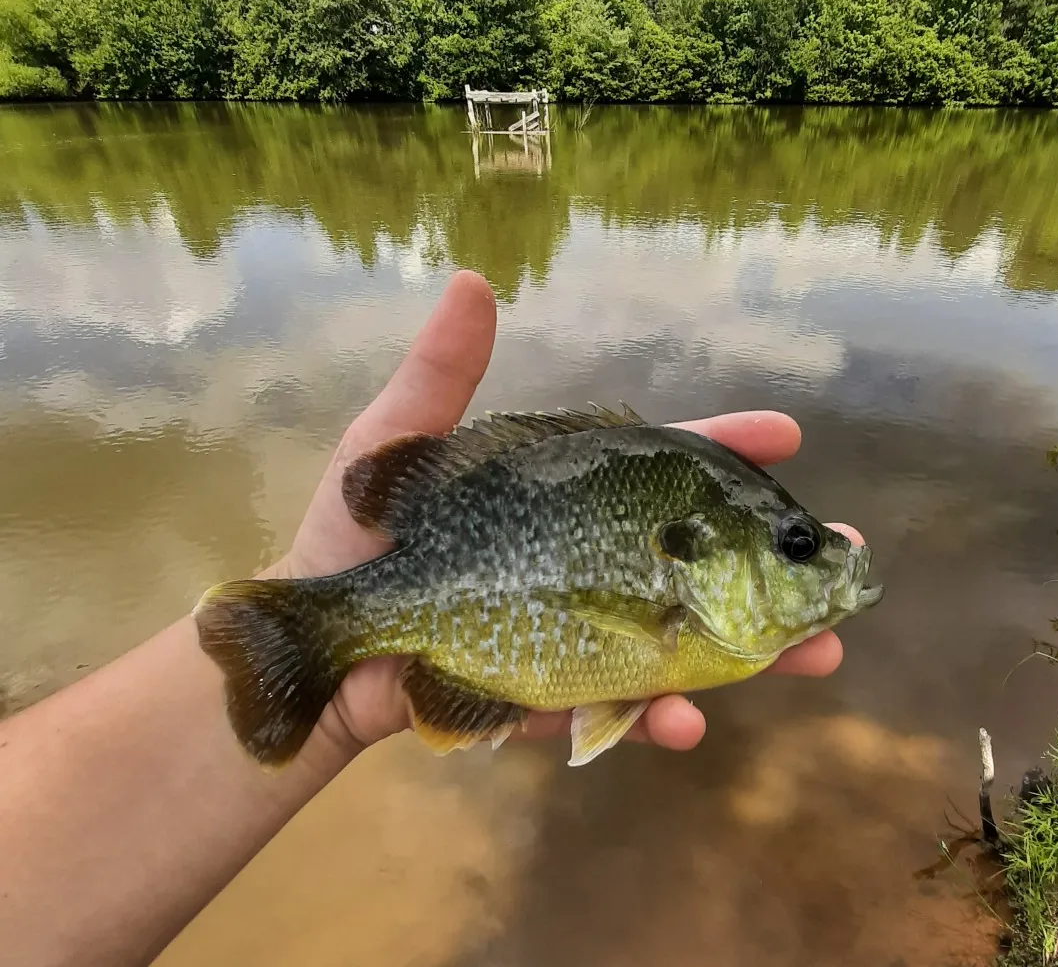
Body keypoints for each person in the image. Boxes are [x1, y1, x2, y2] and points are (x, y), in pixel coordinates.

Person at [0, 270, 858, 967]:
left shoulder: (695, 589)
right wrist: (311, 588)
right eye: (795, 544)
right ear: (698, 552)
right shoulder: (689, 581)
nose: (816, 559)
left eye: (799, 545)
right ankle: (310, 623)